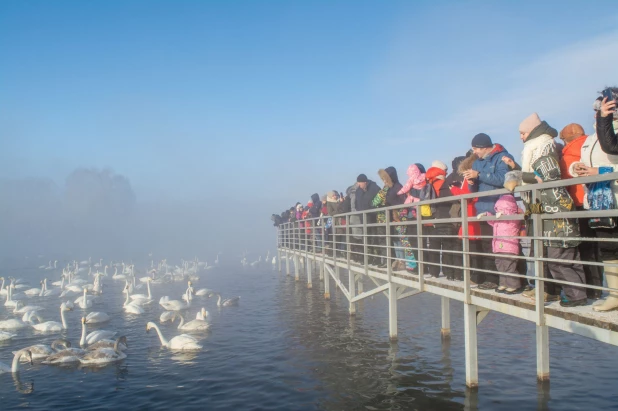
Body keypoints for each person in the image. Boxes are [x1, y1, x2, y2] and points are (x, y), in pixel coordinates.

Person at [518, 113, 586, 306]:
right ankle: (576, 294)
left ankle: (576, 296)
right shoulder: (547, 147)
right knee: (565, 256)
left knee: (559, 257)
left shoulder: (544, 148)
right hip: (551, 210)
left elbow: (548, 176)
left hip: (554, 212)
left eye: (523, 133)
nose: (521, 137)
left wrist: (522, 177)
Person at [571, 94, 618, 311]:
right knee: (608, 249)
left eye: (605, 106)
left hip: (614, 197)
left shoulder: (613, 133)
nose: (598, 110)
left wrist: (597, 171)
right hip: (598, 200)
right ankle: (614, 296)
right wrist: (577, 170)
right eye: (598, 107)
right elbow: (583, 163)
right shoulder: (591, 138)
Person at [462, 133, 515, 290]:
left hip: (500, 208)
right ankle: (492, 278)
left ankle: (514, 280)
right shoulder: (477, 163)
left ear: (484, 147)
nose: (475, 152)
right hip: (484, 209)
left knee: (506, 246)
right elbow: (474, 189)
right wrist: (472, 182)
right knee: (487, 245)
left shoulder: (502, 157)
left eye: (476, 149)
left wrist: (479, 175)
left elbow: (502, 179)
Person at [559, 123, 602, 299]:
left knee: (583, 246)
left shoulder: (568, 154)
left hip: (577, 203)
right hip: (596, 201)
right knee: (597, 247)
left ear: (565, 139)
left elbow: (565, 179)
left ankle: (588, 289)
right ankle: (597, 289)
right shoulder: (590, 146)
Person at [451, 151, 482, 282]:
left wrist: (454, 189)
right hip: (471, 213)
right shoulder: (473, 172)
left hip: (471, 213)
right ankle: (475, 276)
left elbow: (467, 195)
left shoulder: (470, 174)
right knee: (474, 247)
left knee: (473, 248)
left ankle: (475, 277)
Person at [483, 194, 522, 294]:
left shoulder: (513, 217)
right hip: (498, 247)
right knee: (500, 266)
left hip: (509, 247)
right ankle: (504, 283)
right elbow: (492, 222)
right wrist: (486, 215)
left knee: (509, 266)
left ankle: (513, 285)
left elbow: (515, 219)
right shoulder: (498, 219)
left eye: (501, 208)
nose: (499, 210)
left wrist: (504, 214)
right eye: (498, 208)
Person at [424, 161, 456, 279]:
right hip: (446, 217)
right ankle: (449, 274)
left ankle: (434, 272)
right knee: (448, 246)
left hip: (432, 218)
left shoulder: (428, 182)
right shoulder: (445, 183)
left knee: (434, 246)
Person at [352, 174, 380, 263]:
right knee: (366, 238)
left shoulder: (374, 188)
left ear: (365, 182)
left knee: (374, 237)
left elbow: (378, 201)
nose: (359, 184)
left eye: (360, 183)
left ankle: (376, 258)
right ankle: (368, 257)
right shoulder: (358, 191)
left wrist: (372, 209)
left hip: (372, 217)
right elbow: (356, 202)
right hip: (362, 217)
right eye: (358, 183)